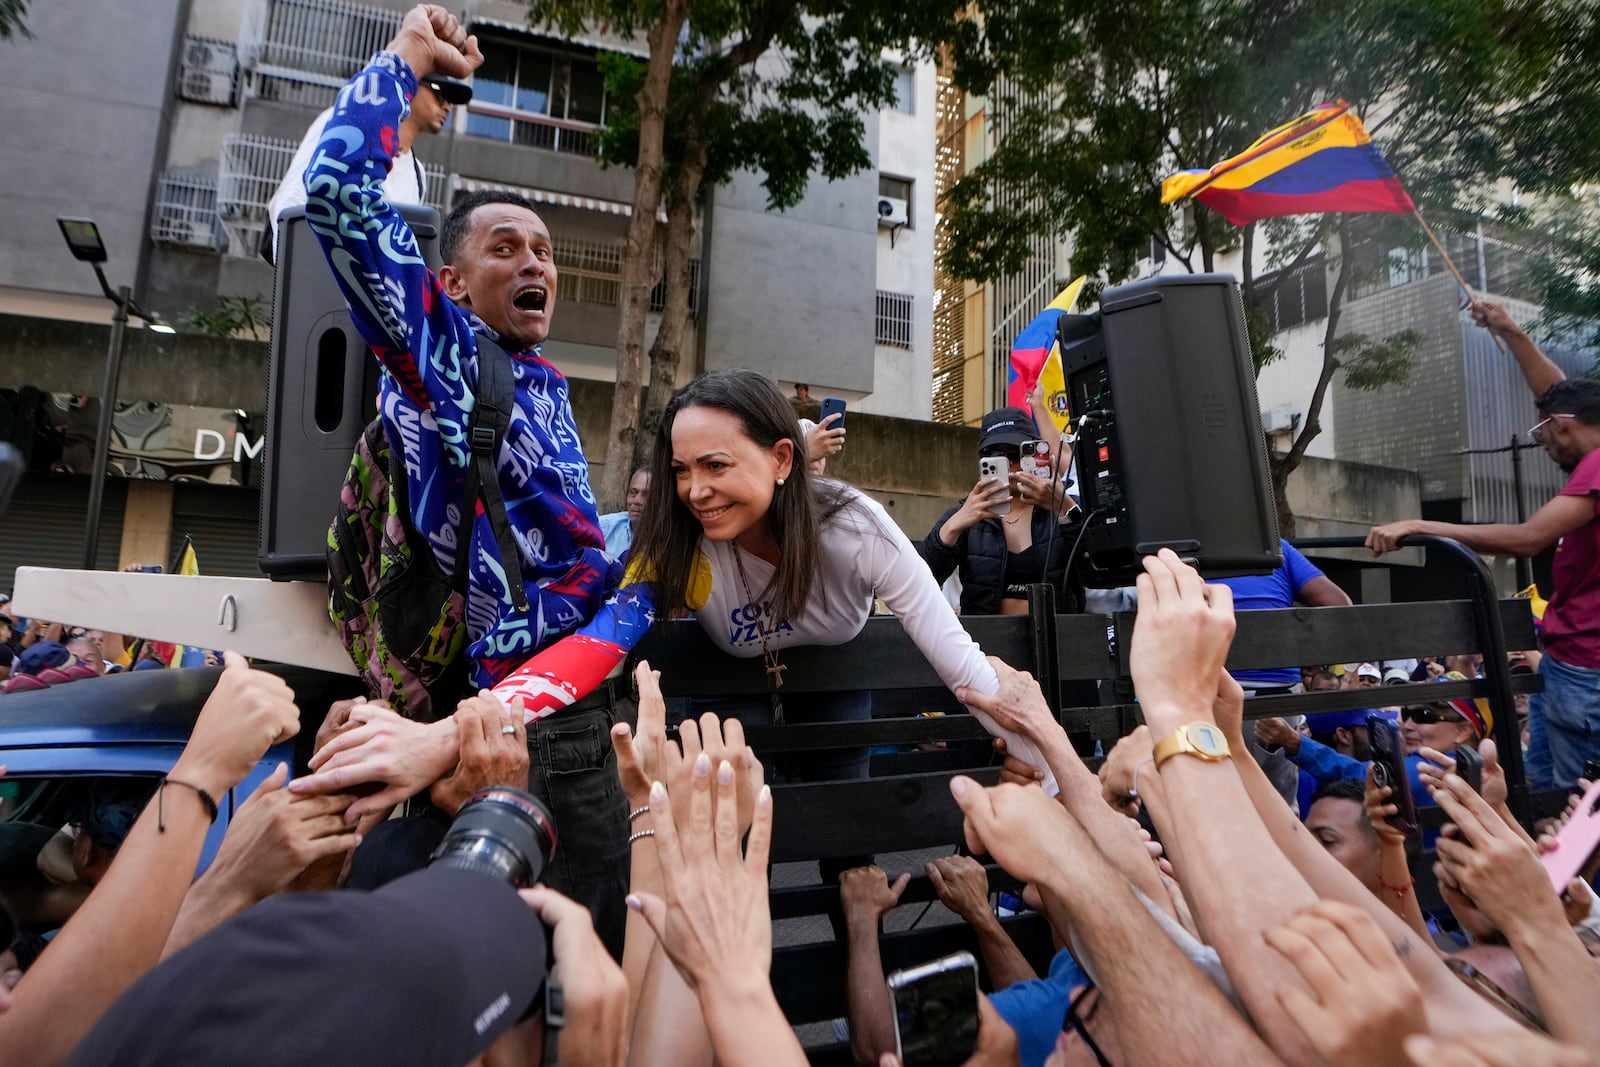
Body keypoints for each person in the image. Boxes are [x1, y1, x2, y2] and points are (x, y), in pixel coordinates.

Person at [287, 5, 655, 953]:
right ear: (449, 284)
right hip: (515, 734)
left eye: (542, 250)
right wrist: (408, 76)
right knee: (523, 984)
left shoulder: (535, 383)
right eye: (505, 247)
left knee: (590, 976)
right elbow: (337, 196)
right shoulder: (448, 357)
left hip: (578, 714)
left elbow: (541, 544)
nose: (535, 261)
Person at [628, 370, 1056, 785]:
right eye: (682, 470)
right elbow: (610, 629)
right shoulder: (676, 535)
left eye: (715, 466)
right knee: (732, 792)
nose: (695, 491)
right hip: (725, 678)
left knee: (845, 808)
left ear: (781, 458)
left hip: (841, 668)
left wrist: (1059, 780)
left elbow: (961, 661)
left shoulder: (857, 526)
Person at [1371, 304, 1600, 789]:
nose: (1543, 445)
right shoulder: (1580, 427)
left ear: (1563, 427)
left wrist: (1420, 524)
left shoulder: (1597, 467)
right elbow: (1558, 396)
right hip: (1570, 665)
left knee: (1575, 812)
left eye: (1543, 435)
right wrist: (1510, 330)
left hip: (1587, 670)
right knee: (1543, 799)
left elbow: (1528, 537)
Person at [262, 69, 470, 259]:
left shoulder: (418, 175)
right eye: (439, 92)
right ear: (409, 86)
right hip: (321, 281)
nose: (447, 106)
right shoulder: (344, 125)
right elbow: (292, 202)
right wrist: (301, 278)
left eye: (450, 100)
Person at [917, 406, 1085, 617]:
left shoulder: (1067, 508)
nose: (1010, 464)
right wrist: (952, 526)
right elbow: (918, 581)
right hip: (984, 644)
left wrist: (1064, 507)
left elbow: (1097, 572)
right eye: (996, 455)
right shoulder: (969, 514)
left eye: (1017, 454)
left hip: (1059, 641)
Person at [598, 468, 651, 557]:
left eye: (647, 495)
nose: (637, 500)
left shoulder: (670, 539)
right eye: (633, 492)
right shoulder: (604, 527)